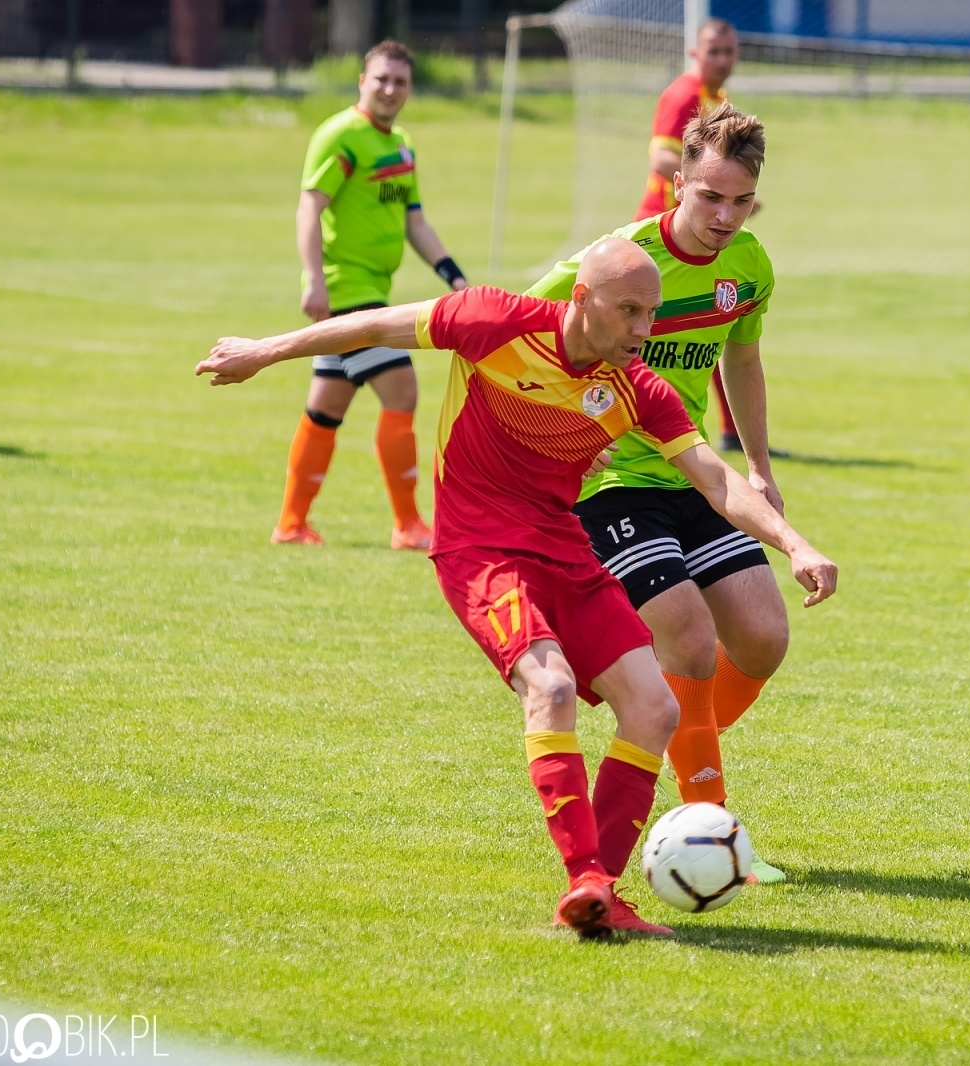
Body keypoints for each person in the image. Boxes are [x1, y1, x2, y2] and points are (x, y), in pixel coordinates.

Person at [195, 239, 838, 940]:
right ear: (581, 297)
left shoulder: (637, 389)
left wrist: (794, 542)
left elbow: (715, 480)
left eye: (651, 314)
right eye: (628, 311)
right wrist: (263, 350)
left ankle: (605, 894)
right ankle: (585, 880)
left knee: (652, 706)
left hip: (565, 548)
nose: (642, 331)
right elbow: (372, 326)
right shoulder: (494, 321)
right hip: (479, 548)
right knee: (552, 689)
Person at [528, 103, 790, 884]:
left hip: (695, 469)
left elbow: (739, 361)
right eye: (709, 196)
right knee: (688, 640)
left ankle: (671, 730)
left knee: (763, 638)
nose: (723, 215)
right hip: (610, 479)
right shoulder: (622, 261)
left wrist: (760, 466)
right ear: (678, 183)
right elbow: (527, 323)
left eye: (740, 200)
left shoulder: (749, 265)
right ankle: (709, 829)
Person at [277, 39, 470, 548]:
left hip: (370, 289)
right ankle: (409, 525)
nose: (389, 89)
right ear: (362, 80)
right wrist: (314, 279)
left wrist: (453, 276)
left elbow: (415, 222)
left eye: (400, 81)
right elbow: (308, 208)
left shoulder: (400, 143)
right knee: (402, 390)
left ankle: (291, 525)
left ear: (410, 89)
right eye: (381, 79)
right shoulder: (340, 135)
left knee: (326, 406)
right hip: (348, 291)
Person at [638, 17, 747, 453]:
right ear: (694, 53)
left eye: (728, 51)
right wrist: (713, 194)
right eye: (713, 51)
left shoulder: (717, 99)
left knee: (714, 324)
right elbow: (662, 155)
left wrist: (726, 201)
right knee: (644, 336)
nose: (721, 59)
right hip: (664, 234)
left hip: (697, 236)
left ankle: (727, 432)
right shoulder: (683, 94)